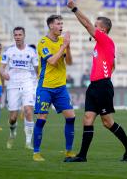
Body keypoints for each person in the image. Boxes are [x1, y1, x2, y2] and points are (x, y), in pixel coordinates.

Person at [65, 0, 127, 162]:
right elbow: (112, 65)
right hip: (94, 86)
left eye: (97, 26)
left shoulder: (105, 39)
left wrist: (74, 8)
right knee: (88, 119)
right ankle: (82, 156)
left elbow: (87, 25)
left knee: (107, 122)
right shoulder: (102, 44)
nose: (93, 28)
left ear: (102, 30)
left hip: (103, 86)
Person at [32, 15, 76, 162]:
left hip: (61, 87)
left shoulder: (62, 43)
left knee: (71, 117)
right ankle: (36, 152)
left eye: (62, 23)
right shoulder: (43, 42)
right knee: (42, 119)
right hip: (46, 87)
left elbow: (69, 62)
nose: (61, 26)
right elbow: (51, 61)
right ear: (51, 26)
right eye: (58, 23)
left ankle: (69, 151)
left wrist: (67, 47)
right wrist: (63, 46)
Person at [0, 27, 37, 150]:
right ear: (13, 36)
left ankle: (28, 142)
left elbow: (37, 69)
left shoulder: (31, 51)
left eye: (20, 34)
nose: (17, 36)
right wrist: (3, 73)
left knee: (28, 110)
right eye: (15, 35)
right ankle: (12, 132)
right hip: (13, 83)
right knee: (13, 117)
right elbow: (1, 67)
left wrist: (37, 81)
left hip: (27, 82)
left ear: (24, 35)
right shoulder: (9, 51)